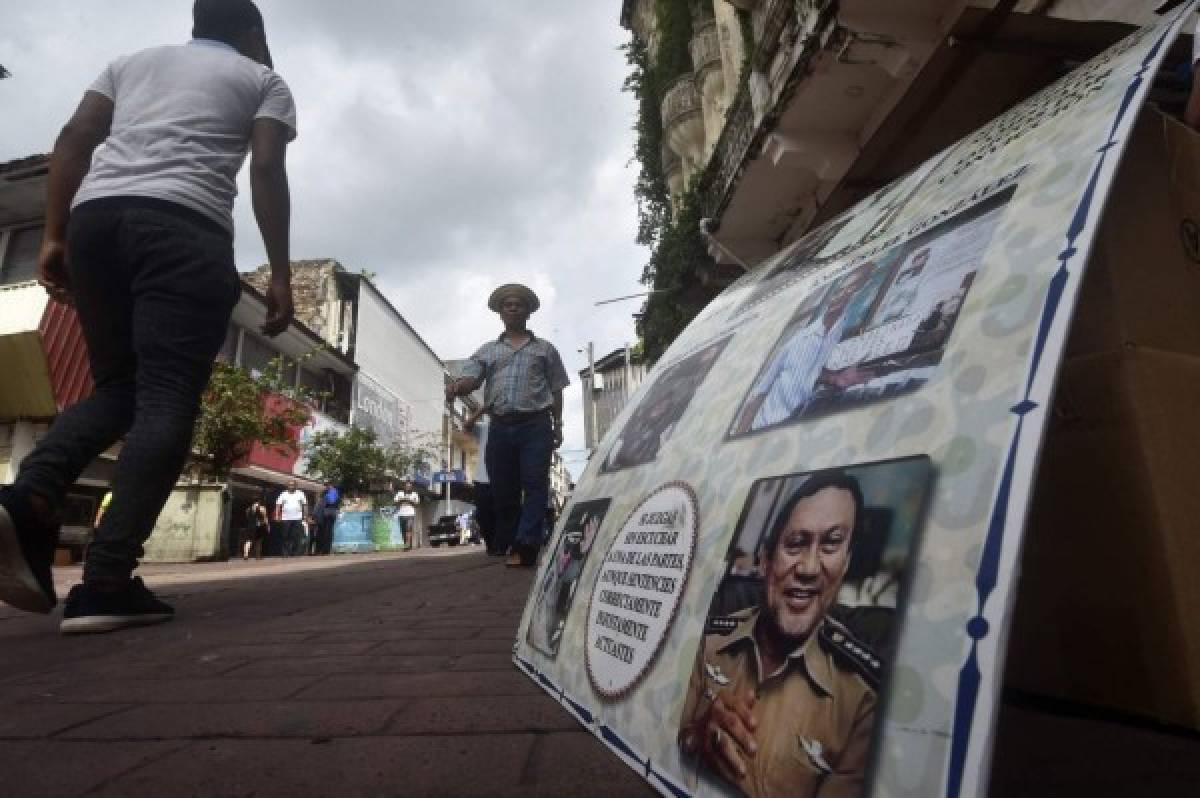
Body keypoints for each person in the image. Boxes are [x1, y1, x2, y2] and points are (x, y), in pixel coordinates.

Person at [0, 0, 296, 633]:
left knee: (120, 390)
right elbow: (267, 169)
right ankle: (106, 580)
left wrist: (55, 235)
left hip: (97, 222)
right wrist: (278, 272)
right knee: (165, 397)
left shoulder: (129, 64)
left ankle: (30, 494)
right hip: (183, 230)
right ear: (252, 32)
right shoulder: (264, 81)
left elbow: (74, 139)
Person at [678, 470, 881, 798]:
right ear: (765, 561)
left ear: (845, 564)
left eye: (831, 544)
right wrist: (696, 738)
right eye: (796, 543)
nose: (809, 568)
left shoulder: (862, 702)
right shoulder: (709, 643)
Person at [445, 283, 570, 567]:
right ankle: (512, 542)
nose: (513, 308)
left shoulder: (545, 350)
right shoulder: (487, 351)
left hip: (536, 425)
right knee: (504, 490)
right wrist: (458, 386)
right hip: (500, 427)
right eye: (507, 305)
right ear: (500, 313)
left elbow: (557, 389)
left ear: (528, 312)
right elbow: (471, 378)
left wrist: (558, 425)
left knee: (536, 486)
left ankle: (525, 546)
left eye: (519, 304)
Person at [734, 266, 874, 434]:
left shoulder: (839, 332)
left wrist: (833, 377)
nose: (844, 294)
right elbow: (760, 393)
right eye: (841, 290)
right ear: (831, 297)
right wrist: (741, 435)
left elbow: (812, 369)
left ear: (860, 290)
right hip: (765, 428)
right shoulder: (797, 341)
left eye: (853, 288)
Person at [463, 405, 498, 554]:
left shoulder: (510, 428)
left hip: (502, 479)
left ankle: (499, 545)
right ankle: (491, 544)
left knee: (501, 514)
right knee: (482, 514)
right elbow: (466, 426)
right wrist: (481, 410)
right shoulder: (484, 427)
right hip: (481, 478)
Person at [274, 481, 307, 557]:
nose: (291, 486)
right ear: (287, 486)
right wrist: (277, 515)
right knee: (285, 535)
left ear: (296, 486)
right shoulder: (283, 494)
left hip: (297, 518)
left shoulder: (300, 493)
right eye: (289, 485)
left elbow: (305, 505)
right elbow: (278, 505)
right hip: (286, 518)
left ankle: (295, 552)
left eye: (292, 485)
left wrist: (305, 516)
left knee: (295, 535)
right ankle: (285, 553)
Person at [311, 482, 340, 555]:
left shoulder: (333, 491)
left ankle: (325, 550)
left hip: (328, 515)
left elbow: (331, 501)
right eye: (325, 485)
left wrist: (324, 497)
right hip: (323, 515)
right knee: (321, 532)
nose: (326, 486)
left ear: (331, 485)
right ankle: (320, 550)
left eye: (327, 485)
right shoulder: (326, 492)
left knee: (327, 532)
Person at [393, 481, 420, 549]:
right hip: (401, 514)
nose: (408, 487)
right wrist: (402, 500)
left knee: (408, 528)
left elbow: (417, 504)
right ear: (404, 487)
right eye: (406, 486)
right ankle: (406, 543)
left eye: (409, 486)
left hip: (410, 514)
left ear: (411, 487)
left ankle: (407, 544)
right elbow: (395, 502)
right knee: (403, 530)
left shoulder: (414, 494)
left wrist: (410, 501)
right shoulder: (399, 493)